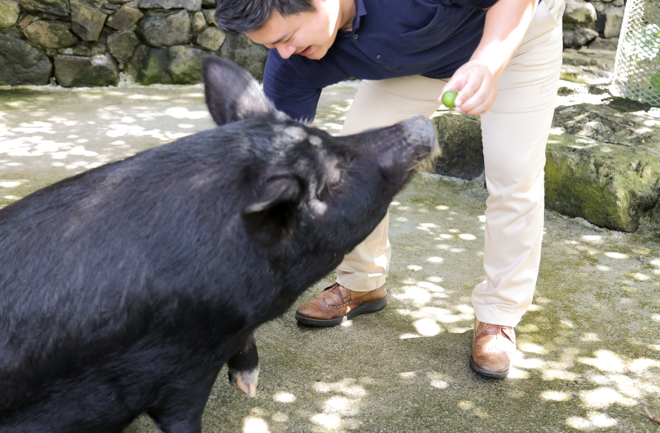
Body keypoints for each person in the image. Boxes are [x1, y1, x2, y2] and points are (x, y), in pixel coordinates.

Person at [215, 0, 565, 379]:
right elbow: (273, 166)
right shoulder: (293, 60)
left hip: (512, 36)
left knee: (514, 173)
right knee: (350, 164)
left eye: (286, 37)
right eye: (271, 46)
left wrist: (487, 62)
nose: (283, 52)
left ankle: (498, 316)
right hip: (414, 61)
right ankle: (361, 282)